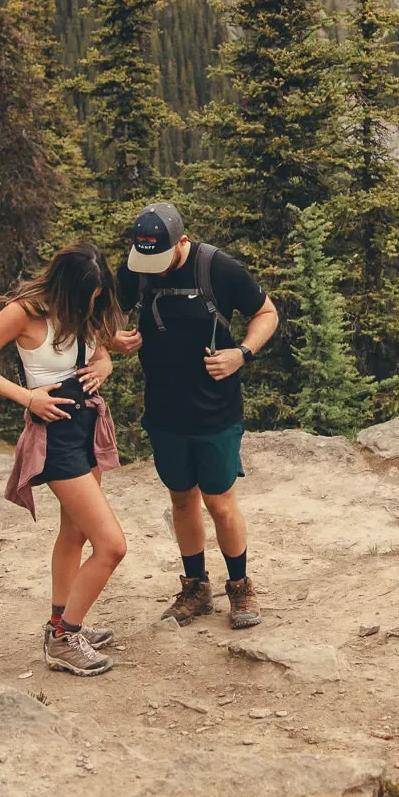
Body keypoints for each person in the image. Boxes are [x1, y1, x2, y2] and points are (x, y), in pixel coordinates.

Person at [0, 244, 126, 676]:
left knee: (75, 536)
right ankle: (63, 638)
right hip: (55, 438)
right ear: (67, 289)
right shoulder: (24, 313)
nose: (95, 303)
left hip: (85, 429)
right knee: (112, 546)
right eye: (89, 296)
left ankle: (62, 621)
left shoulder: (86, 307)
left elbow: (99, 351)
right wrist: (27, 397)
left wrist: (105, 365)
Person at [112, 201, 278, 628]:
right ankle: (195, 586)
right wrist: (113, 336)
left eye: (162, 258)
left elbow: (267, 312)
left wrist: (241, 354)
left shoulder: (217, 267)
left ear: (182, 242)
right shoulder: (137, 267)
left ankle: (240, 587)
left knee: (220, 502)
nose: (154, 268)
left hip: (215, 410)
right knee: (181, 499)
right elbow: (108, 311)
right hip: (164, 409)